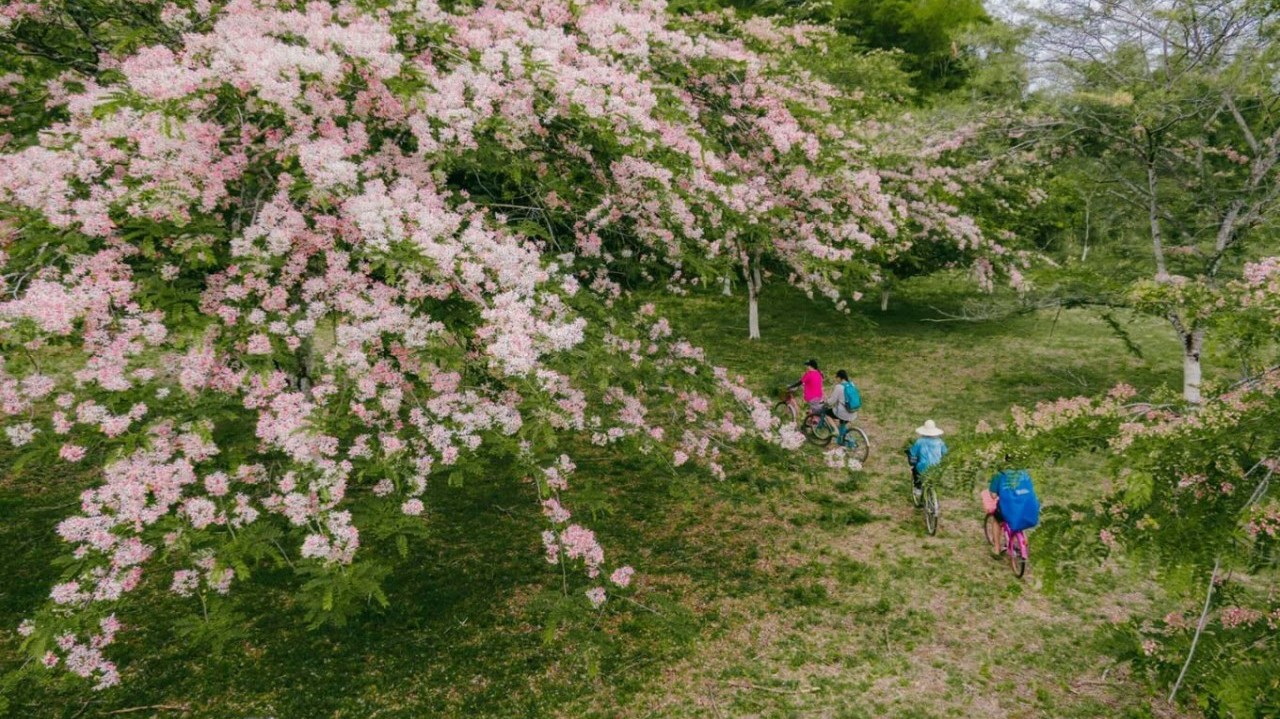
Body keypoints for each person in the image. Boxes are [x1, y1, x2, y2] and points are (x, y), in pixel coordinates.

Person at [986, 456, 1040, 532]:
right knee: (1019, 516)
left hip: (1011, 508)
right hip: (1029, 507)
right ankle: (1023, 541)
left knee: (997, 519)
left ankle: (997, 544)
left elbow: (993, 496)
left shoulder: (999, 474)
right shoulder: (1025, 473)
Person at [906, 419, 947, 501]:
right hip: (937, 467)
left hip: (923, 466)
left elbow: (913, 452)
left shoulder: (920, 441)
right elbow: (945, 452)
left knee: (915, 470)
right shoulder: (940, 442)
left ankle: (918, 488)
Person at [825, 369, 862, 448]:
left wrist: (826, 402)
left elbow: (831, 401)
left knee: (827, 414)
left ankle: (835, 430)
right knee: (842, 424)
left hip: (843, 413)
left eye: (836, 377)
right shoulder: (852, 384)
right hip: (853, 411)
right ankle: (841, 440)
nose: (836, 379)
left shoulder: (839, 387)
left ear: (839, 378)